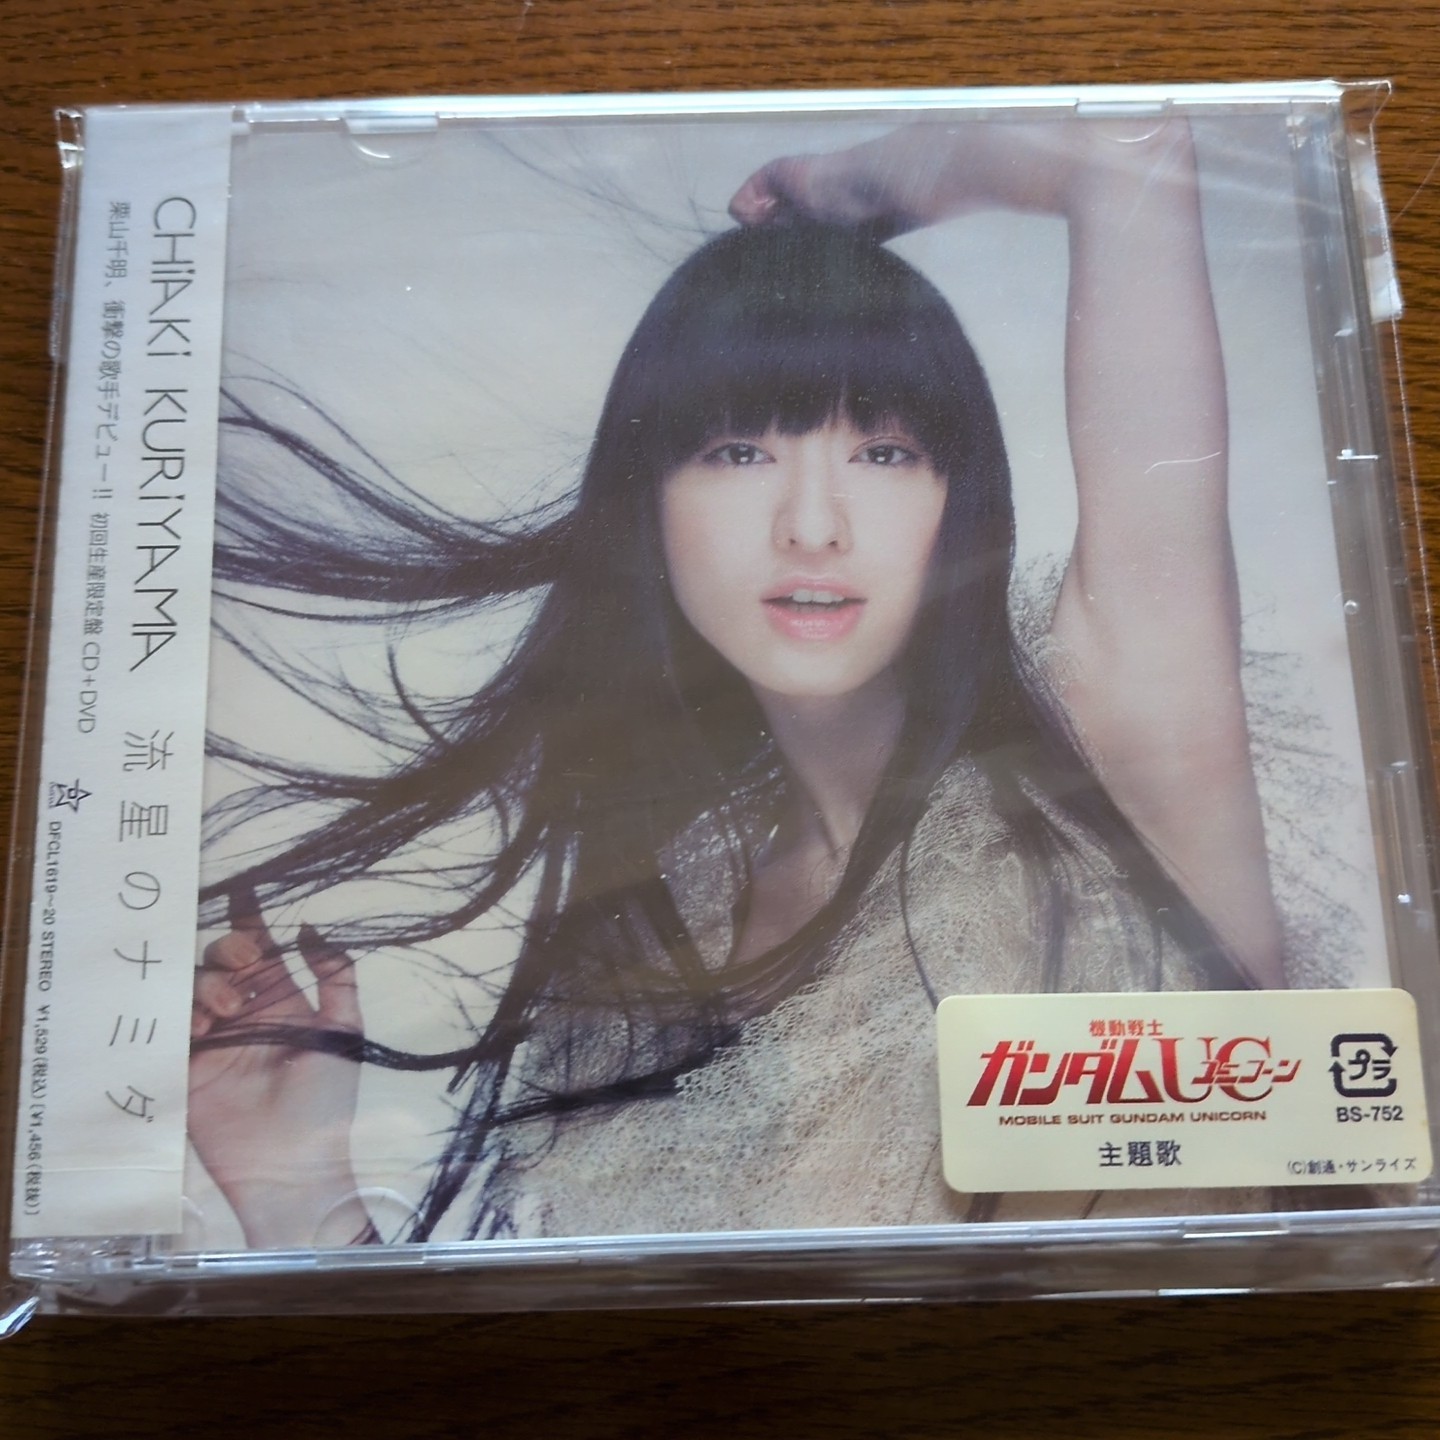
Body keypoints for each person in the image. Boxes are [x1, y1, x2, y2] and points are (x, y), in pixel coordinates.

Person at [188, 116, 1286, 1248]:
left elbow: (1130, 157)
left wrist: (855, 190)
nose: (812, 525)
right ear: (650, 506)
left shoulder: (1111, 752)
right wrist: (297, 1190)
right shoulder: (645, 951)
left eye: (885, 452)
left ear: (958, 498)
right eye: (739, 452)